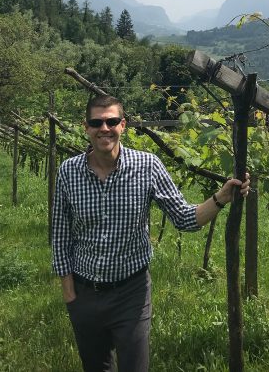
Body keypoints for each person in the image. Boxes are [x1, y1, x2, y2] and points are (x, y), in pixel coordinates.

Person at [51, 94, 250, 372]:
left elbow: (184, 218)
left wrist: (220, 198)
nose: (104, 128)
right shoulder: (68, 172)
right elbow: (60, 235)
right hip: (85, 294)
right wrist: (70, 294)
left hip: (130, 294)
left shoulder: (147, 166)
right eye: (96, 122)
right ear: (86, 127)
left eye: (111, 121)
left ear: (124, 125)